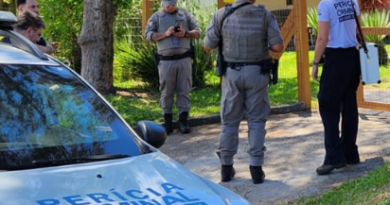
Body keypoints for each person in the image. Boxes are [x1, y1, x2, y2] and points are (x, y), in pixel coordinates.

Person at [203, 0, 283, 184]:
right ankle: (256, 169)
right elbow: (277, 46)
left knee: (229, 122)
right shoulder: (264, 15)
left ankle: (226, 167)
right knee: (256, 121)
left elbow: (208, 44)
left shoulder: (221, 14)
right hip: (257, 74)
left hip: (231, 75)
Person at [312, 0, 361, 175]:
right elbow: (357, 29)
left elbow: (322, 37)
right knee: (349, 104)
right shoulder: (352, 1)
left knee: (326, 104)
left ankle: (334, 156)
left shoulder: (325, 5)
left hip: (335, 58)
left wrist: (316, 62)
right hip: (352, 57)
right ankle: (350, 152)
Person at [144, 0, 200, 135]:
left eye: (173, 4)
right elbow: (148, 36)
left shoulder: (185, 15)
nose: (171, 7)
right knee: (166, 90)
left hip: (184, 59)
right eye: (168, 5)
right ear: (163, 5)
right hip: (166, 61)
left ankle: (183, 121)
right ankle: (167, 122)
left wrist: (186, 33)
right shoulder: (156, 17)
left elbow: (197, 32)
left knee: (184, 89)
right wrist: (165, 34)